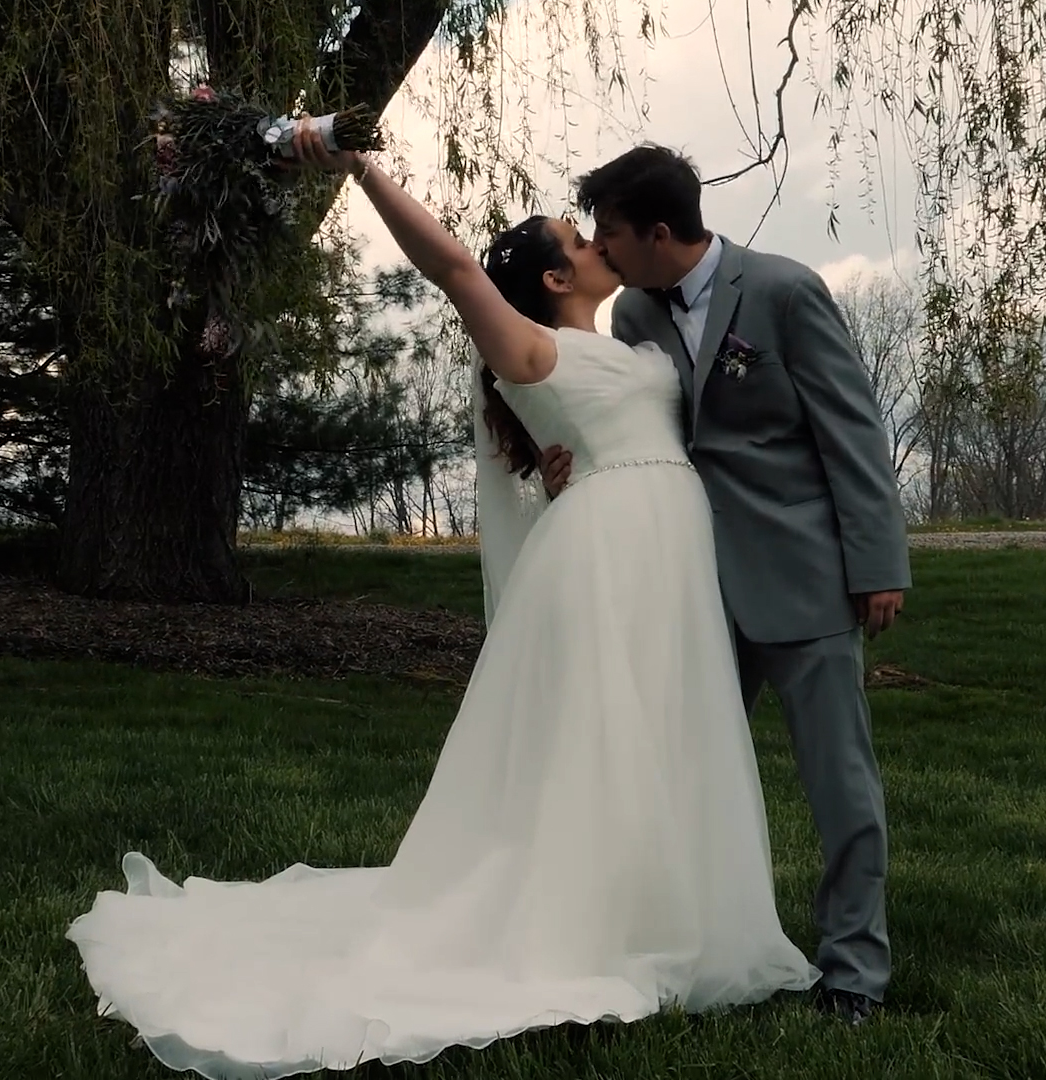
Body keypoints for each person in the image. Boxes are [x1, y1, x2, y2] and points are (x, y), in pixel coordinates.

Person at [64, 124, 816, 1079]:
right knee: (601, 736)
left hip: (668, 548)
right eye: (576, 241)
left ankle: (665, 910)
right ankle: (585, 927)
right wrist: (360, 167)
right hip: (608, 555)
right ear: (550, 278)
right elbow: (456, 266)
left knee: (667, 729)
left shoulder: (635, 336)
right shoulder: (530, 348)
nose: (593, 243)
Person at [544, 144, 910, 1026]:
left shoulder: (783, 293)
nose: (602, 250)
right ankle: (675, 946)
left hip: (806, 580)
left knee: (840, 786)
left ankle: (853, 973)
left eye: (611, 234)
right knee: (672, 773)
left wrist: (878, 565)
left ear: (658, 232)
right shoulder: (634, 312)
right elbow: (638, 418)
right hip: (692, 586)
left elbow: (852, 433)